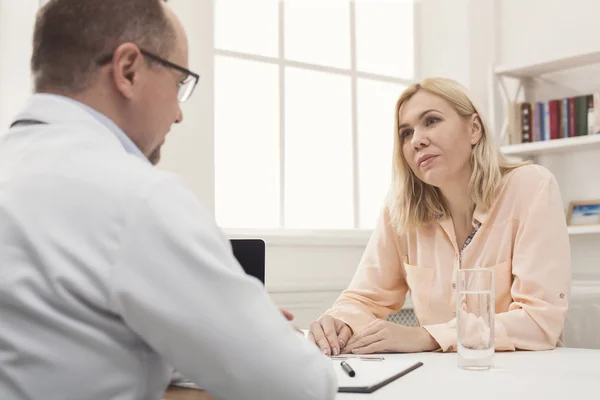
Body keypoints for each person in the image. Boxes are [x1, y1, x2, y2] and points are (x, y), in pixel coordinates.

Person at [0, 1, 337, 400]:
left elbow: (56, 349)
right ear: (128, 70)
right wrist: (262, 334)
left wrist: (193, 336)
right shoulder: (135, 197)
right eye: (179, 83)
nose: (178, 114)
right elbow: (301, 387)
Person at [309, 77, 571, 356]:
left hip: (524, 375)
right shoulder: (400, 210)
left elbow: (540, 321)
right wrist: (339, 322)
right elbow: (365, 297)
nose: (417, 140)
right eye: (406, 133)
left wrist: (429, 336)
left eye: (431, 121)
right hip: (438, 377)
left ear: (474, 129)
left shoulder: (531, 186)